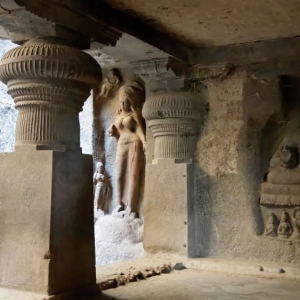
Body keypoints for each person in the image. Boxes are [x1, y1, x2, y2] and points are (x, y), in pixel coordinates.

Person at [107, 84, 146, 216]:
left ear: (131, 100)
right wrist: (112, 133)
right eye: (121, 99)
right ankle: (119, 204)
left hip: (134, 142)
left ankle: (131, 207)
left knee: (133, 175)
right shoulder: (117, 116)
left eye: (126, 99)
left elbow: (139, 129)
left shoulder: (134, 114)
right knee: (118, 175)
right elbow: (117, 133)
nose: (123, 102)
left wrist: (145, 141)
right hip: (121, 143)